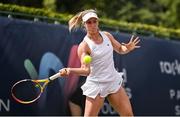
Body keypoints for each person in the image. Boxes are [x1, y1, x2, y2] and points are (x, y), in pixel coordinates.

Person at [59, 9, 140, 116]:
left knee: (128, 115)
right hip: (96, 85)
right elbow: (86, 70)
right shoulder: (84, 46)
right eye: (89, 22)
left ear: (98, 22)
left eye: (94, 21)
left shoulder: (107, 35)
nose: (92, 24)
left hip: (112, 80)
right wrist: (69, 70)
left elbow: (120, 49)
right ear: (84, 25)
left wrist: (127, 48)